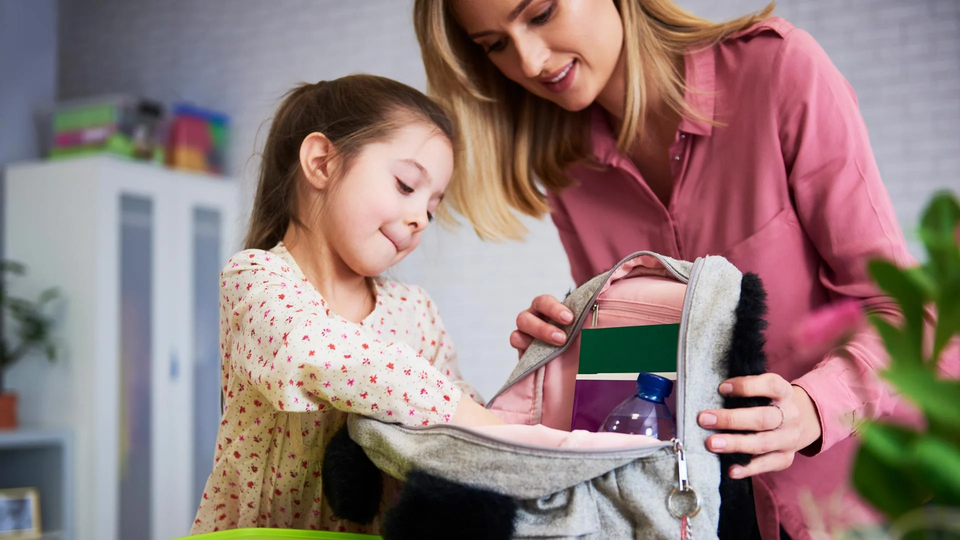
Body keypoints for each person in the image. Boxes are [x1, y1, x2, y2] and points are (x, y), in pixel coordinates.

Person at [412, 1, 959, 538]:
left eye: (541, 13)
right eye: (496, 46)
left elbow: (913, 313)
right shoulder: (566, 164)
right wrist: (568, 350)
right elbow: (646, 371)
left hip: (888, 492)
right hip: (713, 511)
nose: (529, 62)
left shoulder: (778, 70)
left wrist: (814, 408)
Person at [191, 74, 502, 535]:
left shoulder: (415, 311)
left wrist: (521, 397)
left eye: (432, 207)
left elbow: (461, 425)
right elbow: (311, 351)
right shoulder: (256, 279)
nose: (420, 218)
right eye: (404, 185)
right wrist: (462, 412)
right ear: (321, 163)